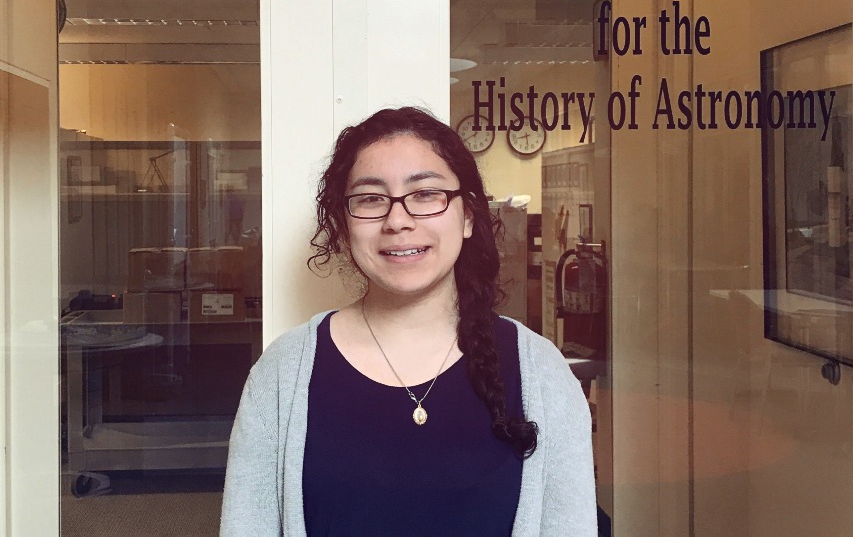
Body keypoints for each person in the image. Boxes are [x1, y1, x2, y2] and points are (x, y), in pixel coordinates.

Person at [220, 106, 597, 536]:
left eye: (425, 194)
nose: (398, 220)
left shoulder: (541, 372)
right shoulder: (282, 376)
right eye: (370, 199)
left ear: (468, 215)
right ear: (344, 226)